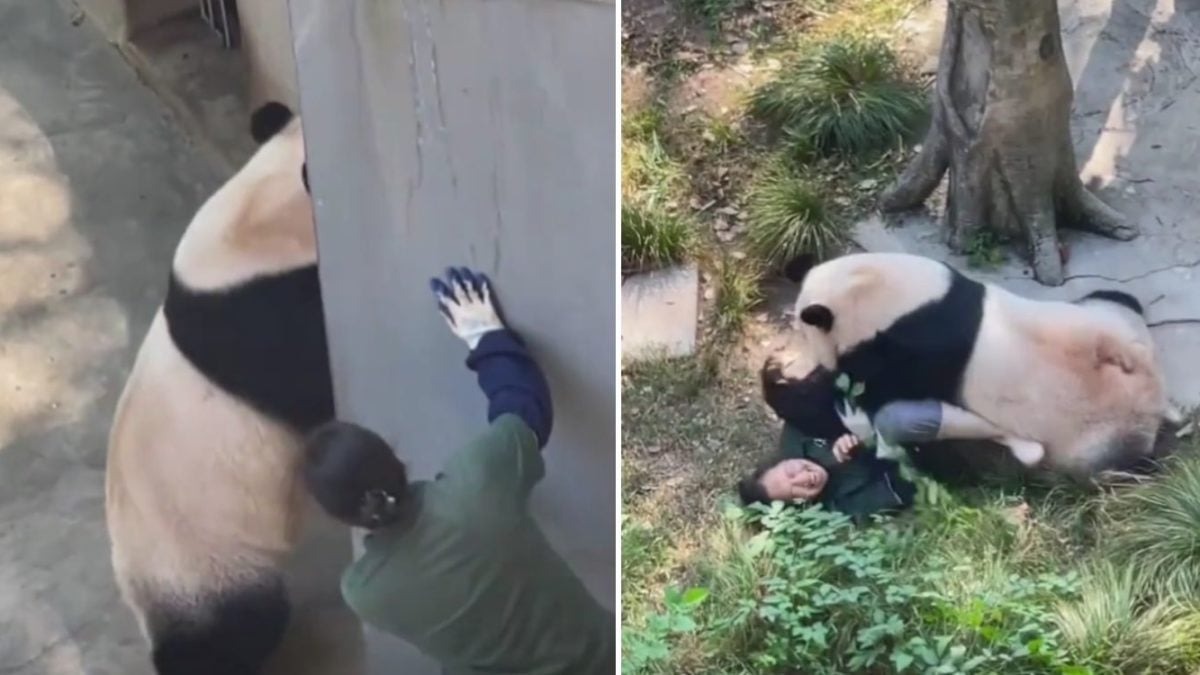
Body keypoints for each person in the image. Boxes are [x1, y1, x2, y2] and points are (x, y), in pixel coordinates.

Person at [301, 266, 614, 674]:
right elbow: (525, 405)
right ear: (395, 458)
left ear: (338, 515)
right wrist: (485, 337)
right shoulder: (477, 484)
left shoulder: (364, 593)